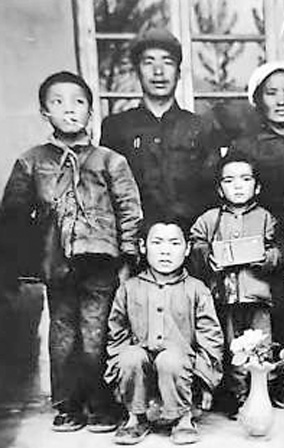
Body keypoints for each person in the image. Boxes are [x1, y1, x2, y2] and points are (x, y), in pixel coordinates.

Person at [0, 71, 143, 432]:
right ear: (44, 112)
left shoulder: (110, 160)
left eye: (78, 102)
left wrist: (128, 257)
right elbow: (14, 215)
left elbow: (129, 210)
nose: (69, 109)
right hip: (57, 263)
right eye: (58, 102)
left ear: (90, 112)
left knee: (98, 334)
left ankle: (102, 405)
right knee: (63, 337)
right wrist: (26, 260)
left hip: (101, 262)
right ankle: (68, 406)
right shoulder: (31, 161)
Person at [230, 61, 284, 407]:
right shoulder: (244, 147)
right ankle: (258, 383)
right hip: (261, 244)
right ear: (258, 100)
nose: (281, 101)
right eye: (271, 93)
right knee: (264, 311)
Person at [105, 217, 224, 445]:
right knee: (130, 355)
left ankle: (183, 418)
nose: (165, 251)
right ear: (143, 246)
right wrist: (116, 374)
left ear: (187, 249)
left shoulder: (197, 289)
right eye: (157, 242)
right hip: (142, 373)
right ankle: (136, 417)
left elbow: (211, 339)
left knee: (170, 359)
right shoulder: (129, 288)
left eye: (174, 243)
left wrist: (206, 382)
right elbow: (117, 335)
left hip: (182, 372)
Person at [190, 152, 281, 417]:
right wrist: (208, 257)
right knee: (232, 348)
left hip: (258, 297)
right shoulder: (210, 219)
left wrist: (267, 257)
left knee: (262, 345)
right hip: (225, 297)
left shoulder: (266, 218)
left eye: (245, 179)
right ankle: (238, 396)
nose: (238, 186)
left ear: (257, 186)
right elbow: (195, 244)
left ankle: (263, 393)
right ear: (220, 189)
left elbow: (279, 249)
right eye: (229, 181)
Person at [100, 27, 217, 228]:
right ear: (137, 72)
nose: (158, 71)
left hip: (189, 238)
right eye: (149, 62)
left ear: (178, 73)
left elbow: (213, 193)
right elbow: (105, 195)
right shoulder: (116, 127)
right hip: (134, 239)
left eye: (167, 62)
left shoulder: (201, 127)